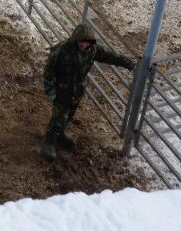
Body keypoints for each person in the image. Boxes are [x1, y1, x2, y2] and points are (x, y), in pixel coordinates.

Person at [42, 22, 135, 160]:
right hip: (62, 90)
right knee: (59, 117)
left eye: (86, 43)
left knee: (69, 115)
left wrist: (130, 64)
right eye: (81, 42)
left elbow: (111, 57)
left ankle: (60, 135)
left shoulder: (93, 50)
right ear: (75, 38)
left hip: (77, 90)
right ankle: (48, 143)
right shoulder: (62, 50)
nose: (83, 45)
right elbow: (49, 71)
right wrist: (51, 90)